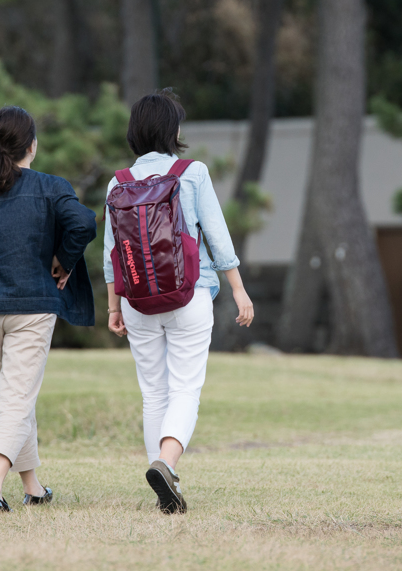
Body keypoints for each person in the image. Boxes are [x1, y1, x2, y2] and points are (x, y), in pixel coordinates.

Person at [0, 106, 97, 513]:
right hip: (33, 307)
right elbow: (83, 223)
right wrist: (63, 259)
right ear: (32, 145)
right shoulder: (51, 186)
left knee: (13, 399)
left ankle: (35, 488)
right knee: (16, 400)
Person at [104, 90, 254, 515]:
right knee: (185, 387)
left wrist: (114, 307)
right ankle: (166, 465)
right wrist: (238, 289)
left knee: (154, 394)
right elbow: (218, 234)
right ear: (173, 131)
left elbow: (111, 251)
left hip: (137, 300)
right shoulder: (193, 172)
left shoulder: (119, 182)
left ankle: (162, 481)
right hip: (190, 293)